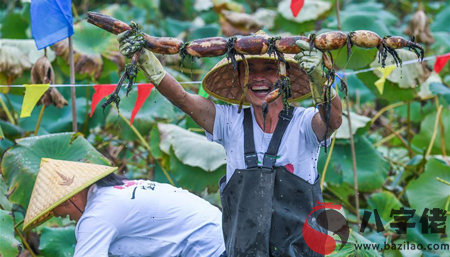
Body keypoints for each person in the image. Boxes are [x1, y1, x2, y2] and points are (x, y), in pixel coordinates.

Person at [118, 30, 342, 256]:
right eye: (249, 70)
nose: (258, 78)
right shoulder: (229, 121)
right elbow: (182, 99)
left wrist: (320, 80)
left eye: (269, 69)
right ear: (240, 79)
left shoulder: (303, 123)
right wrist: (148, 63)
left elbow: (332, 120)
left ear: (285, 75)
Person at [23, 158, 226, 257]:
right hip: (218, 233)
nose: (71, 220)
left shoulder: (98, 214)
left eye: (66, 214)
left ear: (71, 197)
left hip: (205, 247)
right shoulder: (115, 191)